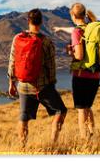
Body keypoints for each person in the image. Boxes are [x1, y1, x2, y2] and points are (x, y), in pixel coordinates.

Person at [8, 8, 68, 147]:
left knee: (23, 118)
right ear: (41, 22)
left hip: (23, 85)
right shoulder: (46, 41)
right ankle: (53, 143)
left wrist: (11, 83)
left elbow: (12, 62)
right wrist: (51, 84)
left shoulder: (17, 38)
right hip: (42, 87)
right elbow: (51, 66)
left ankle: (23, 148)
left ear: (28, 21)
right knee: (60, 110)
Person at [65, 2, 100, 141]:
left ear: (73, 16)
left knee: (81, 109)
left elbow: (79, 56)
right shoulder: (93, 28)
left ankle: (84, 140)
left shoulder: (77, 31)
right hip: (95, 75)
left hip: (81, 76)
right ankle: (93, 136)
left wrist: (70, 51)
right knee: (88, 106)